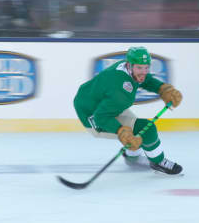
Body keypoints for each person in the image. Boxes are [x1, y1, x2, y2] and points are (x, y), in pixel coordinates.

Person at [73, 46, 183, 174]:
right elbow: (101, 117)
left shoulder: (126, 67)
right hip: (92, 114)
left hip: (100, 101)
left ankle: (131, 157)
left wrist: (162, 88)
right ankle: (158, 161)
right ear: (130, 65)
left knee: (135, 131)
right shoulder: (120, 90)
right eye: (139, 68)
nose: (143, 71)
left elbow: (145, 79)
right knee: (146, 129)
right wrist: (122, 132)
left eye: (146, 67)